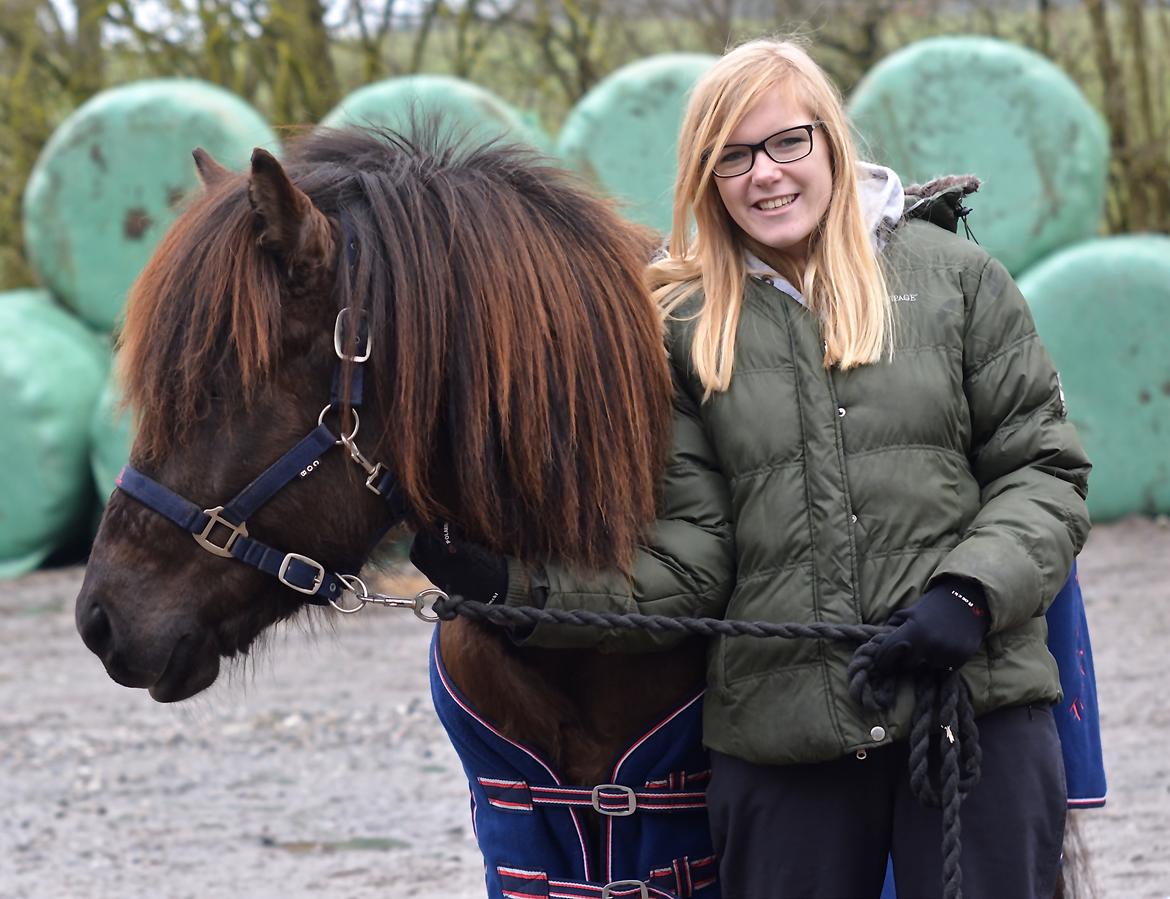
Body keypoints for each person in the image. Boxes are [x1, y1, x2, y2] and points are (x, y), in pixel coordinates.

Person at [412, 36, 1091, 899]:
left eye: (786, 143)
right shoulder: (682, 328)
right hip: (783, 739)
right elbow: (691, 562)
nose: (765, 174)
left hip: (971, 714)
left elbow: (1043, 470)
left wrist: (970, 593)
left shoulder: (959, 281)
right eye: (732, 157)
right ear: (706, 178)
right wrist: (513, 588)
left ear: (831, 142)